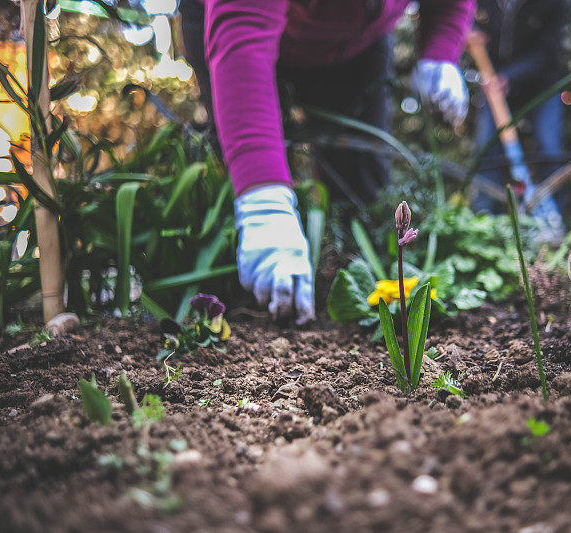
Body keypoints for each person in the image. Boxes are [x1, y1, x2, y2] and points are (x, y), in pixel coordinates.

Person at [183, 0, 475, 325]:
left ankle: (344, 293)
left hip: (356, 43)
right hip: (238, 31)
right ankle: (231, 301)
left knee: (362, 192)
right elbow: (244, 35)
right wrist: (264, 202)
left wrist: (440, 51)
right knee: (240, 172)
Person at [471, 0, 569, 214]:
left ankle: (554, 216)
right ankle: (483, 219)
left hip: (541, 85)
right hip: (493, 84)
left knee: (548, 147)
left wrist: (509, 76)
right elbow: (463, 17)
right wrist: (469, 32)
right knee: (487, 151)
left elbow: (547, 51)